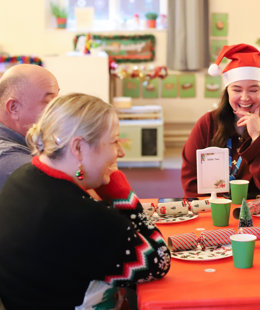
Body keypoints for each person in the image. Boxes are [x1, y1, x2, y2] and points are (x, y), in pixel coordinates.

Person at [0, 93, 171, 309]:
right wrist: (123, 196)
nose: (120, 152)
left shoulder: (21, 178)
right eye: (114, 141)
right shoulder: (84, 216)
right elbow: (159, 260)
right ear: (78, 148)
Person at [181, 43, 260, 198]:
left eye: (253, 90)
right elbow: (191, 182)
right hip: (214, 210)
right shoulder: (207, 124)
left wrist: (258, 138)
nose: (244, 97)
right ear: (227, 92)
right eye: (236, 90)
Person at [0, 64, 59, 190]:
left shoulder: (32, 143)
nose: (59, 111)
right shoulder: (8, 158)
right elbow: (65, 194)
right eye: (50, 103)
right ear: (13, 108)